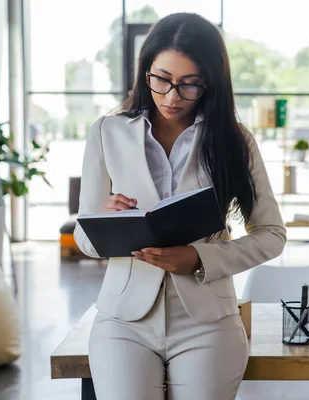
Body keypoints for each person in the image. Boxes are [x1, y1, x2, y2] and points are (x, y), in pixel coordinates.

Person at [73, 12, 286, 400]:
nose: (172, 97)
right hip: (124, 321)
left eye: (190, 85)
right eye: (162, 80)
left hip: (208, 322)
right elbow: (84, 239)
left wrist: (200, 257)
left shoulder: (235, 140)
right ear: (146, 71)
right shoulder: (107, 132)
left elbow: (272, 236)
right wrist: (105, 220)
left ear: (211, 84)